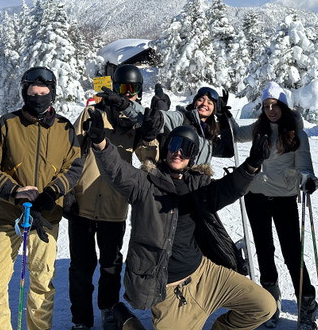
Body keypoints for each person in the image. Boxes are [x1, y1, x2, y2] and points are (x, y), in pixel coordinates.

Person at [88, 119, 277, 330]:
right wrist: (100, 144)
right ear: (167, 148)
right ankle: (129, 322)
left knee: (264, 306)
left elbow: (226, 189)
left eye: (186, 149)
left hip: (205, 275)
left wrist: (251, 164)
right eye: (175, 145)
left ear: (192, 157)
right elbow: (117, 171)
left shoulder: (197, 185)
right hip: (170, 289)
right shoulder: (144, 183)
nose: (178, 152)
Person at [0, 66, 83, 330]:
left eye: (44, 92)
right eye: (33, 92)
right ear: (24, 92)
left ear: (52, 94)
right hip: (8, 215)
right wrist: (14, 192)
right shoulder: (6, 124)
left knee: (42, 285)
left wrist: (52, 193)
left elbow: (74, 167)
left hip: (45, 217)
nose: (38, 97)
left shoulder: (64, 128)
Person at [66, 64, 157, 330]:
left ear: (139, 93)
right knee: (81, 269)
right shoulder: (92, 114)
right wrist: (69, 192)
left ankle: (108, 309)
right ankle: (81, 320)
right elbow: (70, 153)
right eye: (122, 89)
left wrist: (149, 135)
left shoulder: (137, 125)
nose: (127, 95)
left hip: (115, 208)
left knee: (111, 266)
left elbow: (150, 162)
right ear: (114, 88)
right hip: (82, 206)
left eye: (133, 90)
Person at [233, 81, 318, 329]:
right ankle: (270, 301)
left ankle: (307, 304)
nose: (271, 110)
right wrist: (223, 114)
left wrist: (308, 179)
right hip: (255, 197)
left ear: (284, 106)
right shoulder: (258, 129)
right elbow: (235, 133)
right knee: (263, 249)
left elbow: (304, 164)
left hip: (283, 199)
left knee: (293, 253)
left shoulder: (296, 133)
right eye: (266, 105)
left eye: (275, 105)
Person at [142, 85, 236, 166]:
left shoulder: (208, 133)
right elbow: (163, 118)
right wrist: (155, 114)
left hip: (198, 184)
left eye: (209, 103)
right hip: (175, 180)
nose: (204, 104)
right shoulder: (182, 119)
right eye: (200, 100)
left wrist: (223, 117)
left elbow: (228, 150)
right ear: (194, 103)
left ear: (214, 109)